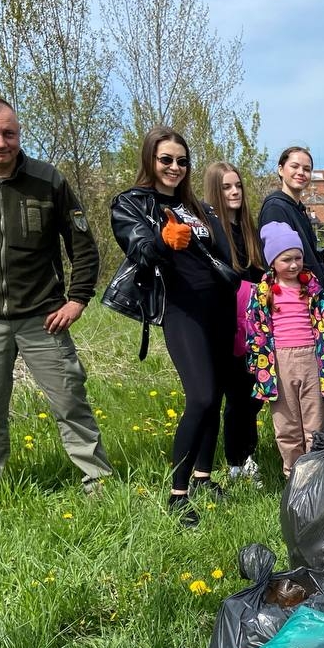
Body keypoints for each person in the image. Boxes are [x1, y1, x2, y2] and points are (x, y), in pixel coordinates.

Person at [0, 96, 112, 519]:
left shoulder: (48, 181)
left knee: (70, 399)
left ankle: (97, 480)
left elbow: (82, 245)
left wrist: (78, 299)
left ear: (19, 132)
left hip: (43, 317)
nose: (1, 142)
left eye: (8, 133)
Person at [111, 126, 235, 524]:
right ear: (150, 159)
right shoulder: (131, 203)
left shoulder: (196, 206)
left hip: (217, 305)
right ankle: (177, 495)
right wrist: (163, 242)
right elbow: (140, 248)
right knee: (198, 397)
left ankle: (202, 476)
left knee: (215, 396)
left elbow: (219, 251)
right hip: (181, 309)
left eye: (182, 161)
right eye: (166, 160)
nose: (174, 167)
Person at [258, 145, 324, 434]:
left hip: (310, 308)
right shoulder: (277, 207)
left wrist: (323, 259)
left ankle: (312, 448)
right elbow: (280, 261)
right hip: (297, 313)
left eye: (306, 168)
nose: (301, 172)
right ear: (280, 169)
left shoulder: (296, 207)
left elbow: (300, 255)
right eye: (295, 166)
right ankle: (314, 449)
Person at [244, 222, 324, 476]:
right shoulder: (263, 293)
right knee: (286, 423)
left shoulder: (312, 289)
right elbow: (254, 329)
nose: (293, 265)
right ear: (272, 262)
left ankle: (315, 473)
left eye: (298, 258)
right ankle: (293, 474)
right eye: (286, 259)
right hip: (278, 363)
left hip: (312, 359)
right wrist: (257, 363)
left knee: (315, 421)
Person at [203, 161, 266, 485]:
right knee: (237, 396)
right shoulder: (212, 234)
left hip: (255, 323)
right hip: (226, 327)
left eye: (237, 186)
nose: (234, 192)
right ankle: (236, 462)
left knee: (254, 394)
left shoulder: (248, 230)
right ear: (216, 191)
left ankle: (247, 453)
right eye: (227, 187)